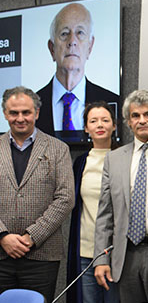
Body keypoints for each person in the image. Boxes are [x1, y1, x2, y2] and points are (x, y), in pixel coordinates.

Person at [93, 90, 148, 303]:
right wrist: (101, 258)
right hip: (125, 256)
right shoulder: (114, 159)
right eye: (135, 116)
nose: (142, 120)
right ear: (128, 122)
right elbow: (105, 214)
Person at [0, 86, 74, 301]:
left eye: (26, 112)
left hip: (41, 256)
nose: (20, 118)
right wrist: (3, 236)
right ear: (5, 113)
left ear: (37, 113)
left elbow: (65, 198)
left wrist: (31, 237)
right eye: (14, 113)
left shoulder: (58, 149)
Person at [36, 3, 120, 140]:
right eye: (64, 34)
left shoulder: (113, 101)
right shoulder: (31, 107)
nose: (72, 41)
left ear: (90, 47)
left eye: (80, 33)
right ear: (52, 49)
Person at [67, 101, 119, 303]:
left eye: (105, 120)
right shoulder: (80, 163)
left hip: (116, 253)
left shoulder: (124, 159)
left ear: (114, 126)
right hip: (85, 252)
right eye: (93, 121)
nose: (100, 125)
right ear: (86, 128)